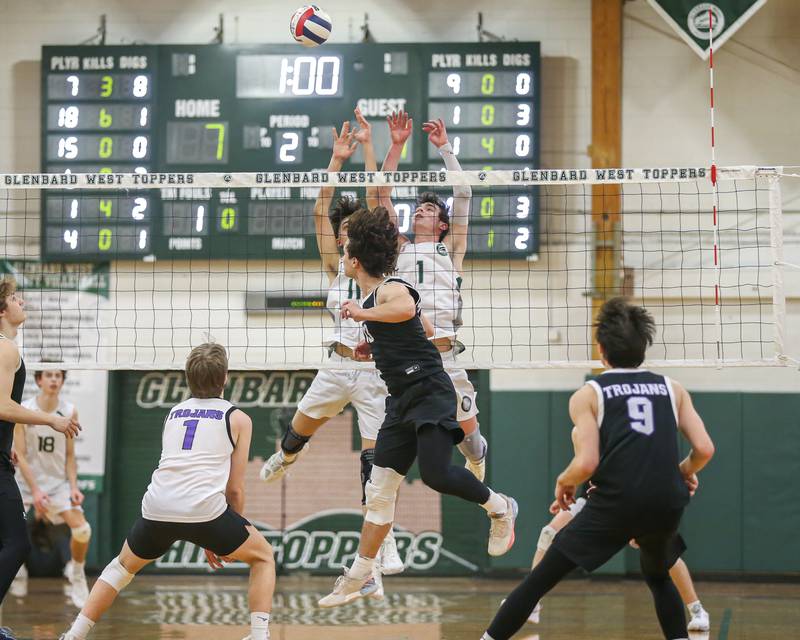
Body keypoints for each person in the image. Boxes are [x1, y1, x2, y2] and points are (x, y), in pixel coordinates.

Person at [317, 208, 517, 608]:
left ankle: (500, 507)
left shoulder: (392, 288)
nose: (343, 259)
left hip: (429, 390)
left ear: (354, 261)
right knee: (379, 491)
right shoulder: (377, 297)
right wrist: (374, 345)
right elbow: (421, 328)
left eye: (346, 254)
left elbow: (407, 309)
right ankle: (359, 575)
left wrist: (364, 315)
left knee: (437, 474)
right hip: (401, 401)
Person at [482, 297, 715, 640]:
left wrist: (564, 480)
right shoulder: (672, 388)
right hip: (666, 501)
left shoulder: (590, 393)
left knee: (539, 580)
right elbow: (705, 449)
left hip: (616, 502)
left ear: (601, 349)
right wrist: (681, 472)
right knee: (657, 574)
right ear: (644, 348)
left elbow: (587, 462)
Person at [258, 113, 403, 584]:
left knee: (374, 459)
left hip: (374, 374)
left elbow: (376, 204)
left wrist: (368, 149)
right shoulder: (335, 268)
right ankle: (286, 456)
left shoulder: (378, 270)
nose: (342, 240)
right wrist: (336, 160)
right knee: (297, 434)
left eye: (350, 235)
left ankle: (384, 540)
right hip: (335, 368)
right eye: (339, 236)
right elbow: (321, 210)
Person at [60, 343, 275, 640]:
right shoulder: (238, 418)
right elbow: (235, 489)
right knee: (263, 557)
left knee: (119, 569)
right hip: (205, 511)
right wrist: (224, 535)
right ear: (225, 377)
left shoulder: (173, 413)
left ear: (187, 377)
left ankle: (74, 635)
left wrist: (217, 533)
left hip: (157, 507)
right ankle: (259, 635)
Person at [377, 112, 487, 481]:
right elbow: (382, 194)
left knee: (470, 439)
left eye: (428, 210)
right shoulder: (400, 248)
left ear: (441, 224)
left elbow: (464, 193)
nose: (420, 211)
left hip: (445, 348)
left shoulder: (451, 247)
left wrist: (445, 149)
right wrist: (396, 145)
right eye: (418, 209)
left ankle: (476, 454)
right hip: (413, 353)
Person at [523, 474, 710, 631]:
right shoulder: (583, 431)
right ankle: (532, 604)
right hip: (593, 502)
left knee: (665, 555)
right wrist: (565, 491)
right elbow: (584, 463)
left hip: (632, 499)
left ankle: (697, 609)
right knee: (548, 533)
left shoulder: (636, 434)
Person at [0, 277, 80, 640]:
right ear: (3, 310)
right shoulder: (6, 349)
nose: (22, 302)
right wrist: (51, 419)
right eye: (15, 298)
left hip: (4, 456)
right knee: (17, 544)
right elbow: (3, 406)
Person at [10, 369, 92, 607]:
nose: (54, 379)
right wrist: (35, 491)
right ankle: (17, 569)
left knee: (83, 530)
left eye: (58, 375)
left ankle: (76, 573)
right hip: (25, 484)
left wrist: (74, 487)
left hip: (57, 485)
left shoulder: (69, 410)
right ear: (38, 380)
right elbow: (21, 456)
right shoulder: (24, 409)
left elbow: (69, 456)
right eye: (49, 375)